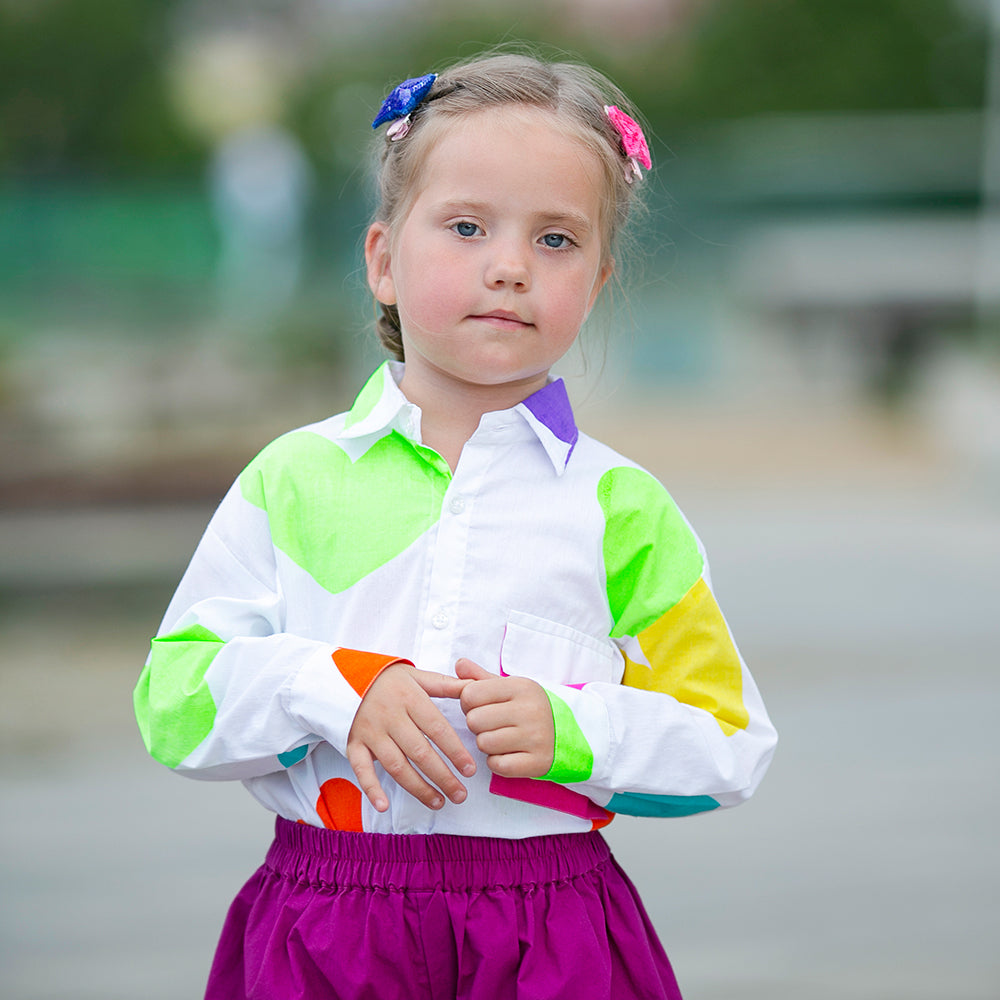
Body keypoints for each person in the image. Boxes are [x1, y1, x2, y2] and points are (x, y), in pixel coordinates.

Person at [135, 51, 777, 1000]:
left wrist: (575, 729)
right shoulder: (294, 479)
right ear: (384, 260)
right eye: (468, 227)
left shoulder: (621, 508)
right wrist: (335, 688)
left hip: (551, 933)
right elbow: (175, 704)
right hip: (327, 925)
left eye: (556, 241)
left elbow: (729, 742)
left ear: (596, 283)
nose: (511, 267)